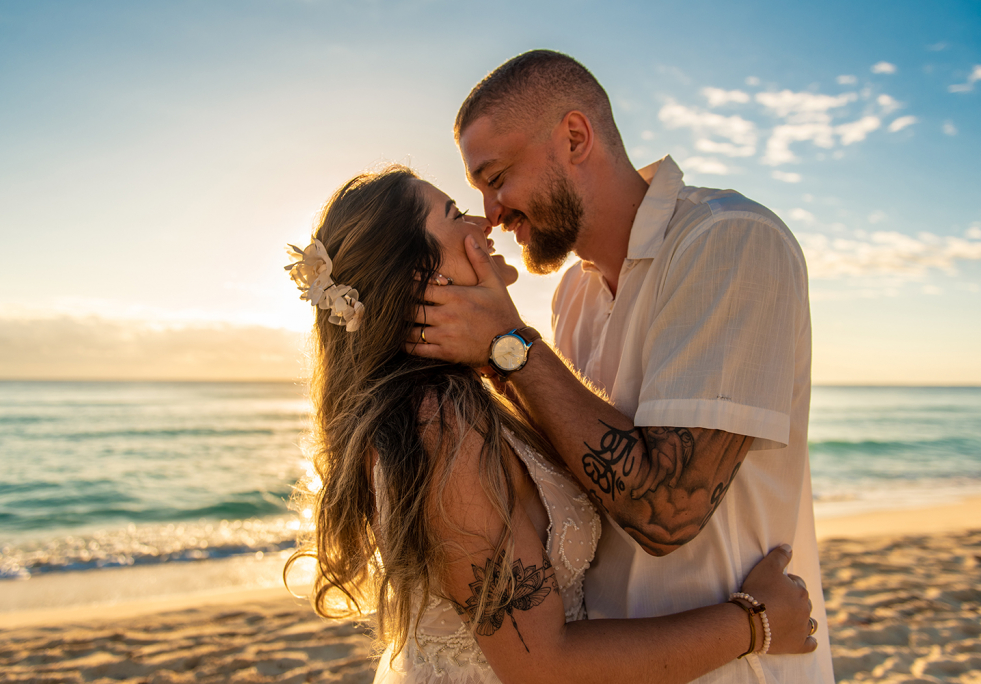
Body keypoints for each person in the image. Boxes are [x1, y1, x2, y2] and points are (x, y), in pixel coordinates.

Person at [285, 165, 817, 684]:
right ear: (424, 274)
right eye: (455, 214)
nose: (483, 222)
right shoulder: (440, 422)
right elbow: (543, 668)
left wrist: (502, 347)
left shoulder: (463, 396)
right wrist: (755, 623)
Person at [407, 50, 834, 684]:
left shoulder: (729, 242)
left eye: (497, 177)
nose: (492, 212)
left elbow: (667, 512)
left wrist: (509, 345)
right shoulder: (571, 298)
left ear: (575, 137)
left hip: (733, 670)